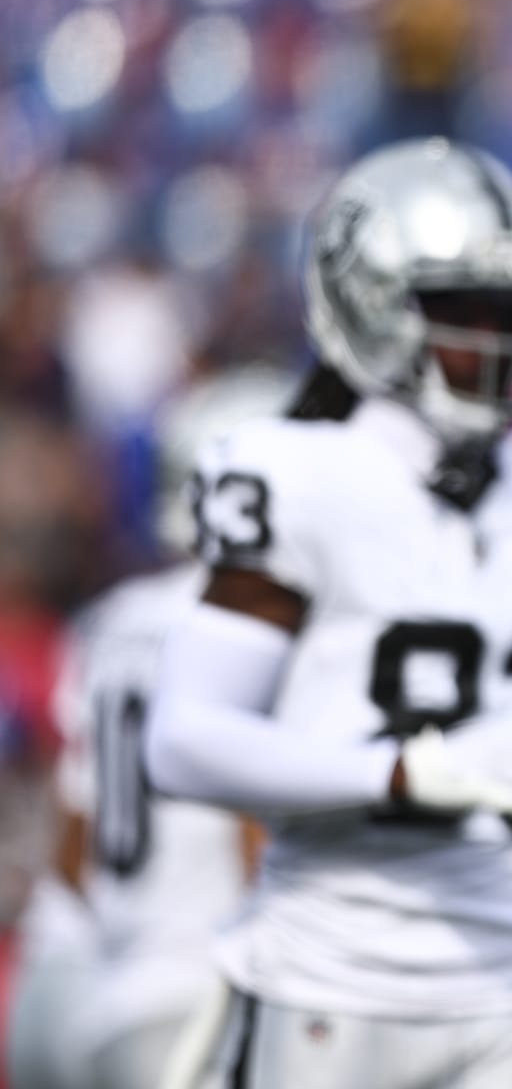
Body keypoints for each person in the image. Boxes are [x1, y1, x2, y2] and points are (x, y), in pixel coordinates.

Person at [143, 138, 512, 1088]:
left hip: (501, 975)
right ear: (367, 303)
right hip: (330, 974)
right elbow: (184, 741)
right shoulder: (296, 471)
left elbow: (502, 767)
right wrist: (405, 771)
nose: (497, 337)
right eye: (462, 308)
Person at [4, 368, 290, 1089]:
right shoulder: (255, 628)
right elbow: (255, 830)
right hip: (203, 1002)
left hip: (99, 997)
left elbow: (77, 850)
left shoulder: (109, 622)